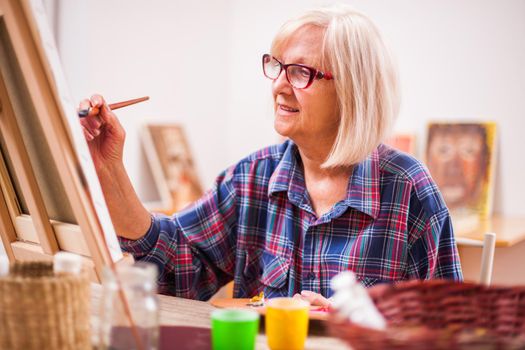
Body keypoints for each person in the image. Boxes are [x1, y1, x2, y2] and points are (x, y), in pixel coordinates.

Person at [79, 4, 462, 305]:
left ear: (353, 90)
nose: (278, 85)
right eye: (277, 66)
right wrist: (110, 168)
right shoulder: (253, 178)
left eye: (300, 72)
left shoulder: (408, 190)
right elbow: (178, 265)